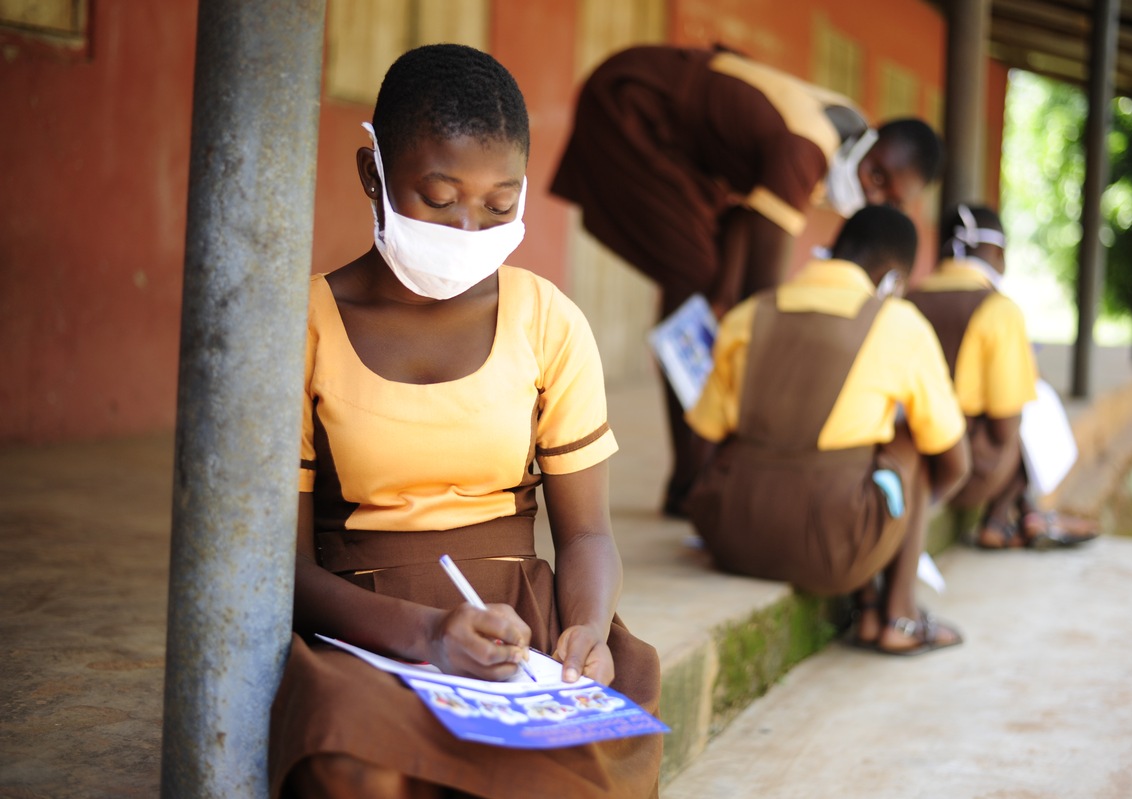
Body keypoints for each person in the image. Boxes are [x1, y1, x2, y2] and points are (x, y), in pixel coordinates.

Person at [269, 44, 662, 798]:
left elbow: (587, 535)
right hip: (365, 630)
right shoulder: (301, 325)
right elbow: (283, 571)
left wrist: (584, 629)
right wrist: (423, 636)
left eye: (499, 204)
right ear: (372, 177)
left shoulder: (547, 321)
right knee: (353, 764)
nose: (468, 228)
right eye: (438, 197)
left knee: (593, 743)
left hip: (523, 623)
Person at [550, 44, 945, 516]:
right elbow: (767, 300)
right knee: (694, 282)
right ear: (874, 139)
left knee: (709, 287)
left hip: (683, 149)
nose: (872, 191)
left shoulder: (847, 139)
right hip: (631, 103)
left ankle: (695, 469)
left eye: (890, 196)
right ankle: (693, 477)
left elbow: (745, 219)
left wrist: (726, 301)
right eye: (875, 174)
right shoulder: (807, 148)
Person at [684, 205, 970, 656]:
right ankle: (899, 615)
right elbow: (954, 462)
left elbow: (703, 440)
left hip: (731, 537)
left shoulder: (748, 314)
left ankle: (878, 604)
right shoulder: (899, 324)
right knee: (910, 440)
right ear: (894, 280)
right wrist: (906, 517)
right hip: (839, 551)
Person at [905, 204, 1097, 549]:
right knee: (1031, 407)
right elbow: (1005, 428)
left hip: (909, 458)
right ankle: (1008, 516)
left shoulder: (908, 299)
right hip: (963, 471)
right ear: (996, 253)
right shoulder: (998, 308)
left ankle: (1022, 517)